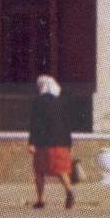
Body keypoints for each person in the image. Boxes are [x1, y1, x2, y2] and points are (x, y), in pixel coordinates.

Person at [27, 73, 77, 209]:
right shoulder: (61, 101)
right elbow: (67, 124)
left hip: (43, 143)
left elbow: (35, 123)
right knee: (61, 170)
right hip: (61, 143)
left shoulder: (38, 101)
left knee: (39, 172)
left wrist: (31, 142)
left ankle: (40, 199)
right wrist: (69, 144)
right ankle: (69, 191)